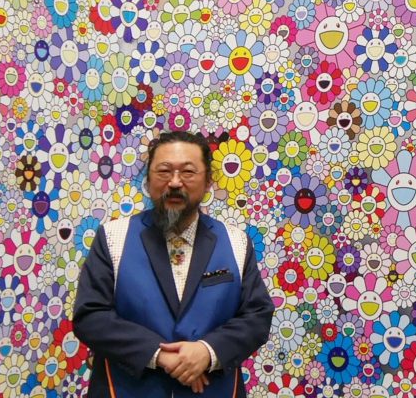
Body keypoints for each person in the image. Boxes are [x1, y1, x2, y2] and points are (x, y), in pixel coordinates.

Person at [73, 130, 274, 398]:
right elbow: (90, 316)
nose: (175, 182)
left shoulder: (236, 242)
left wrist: (208, 351)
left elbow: (257, 315)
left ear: (208, 181)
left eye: (188, 172)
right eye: (164, 171)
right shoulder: (112, 237)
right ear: (148, 180)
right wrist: (159, 355)